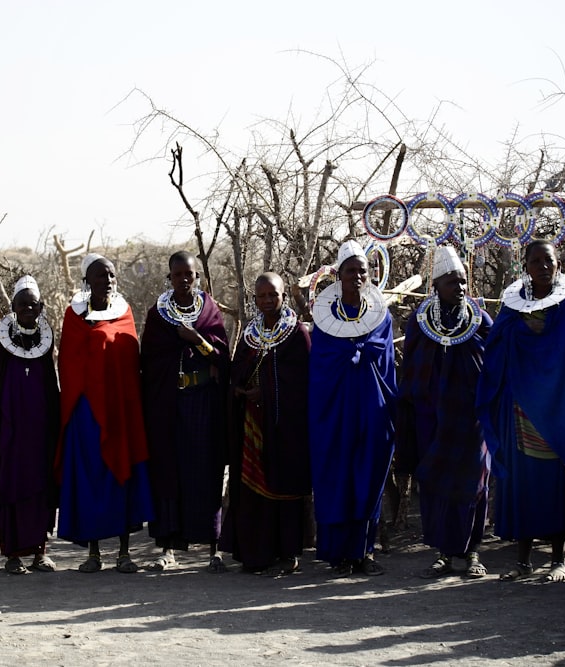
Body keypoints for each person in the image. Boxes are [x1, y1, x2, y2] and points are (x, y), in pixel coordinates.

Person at [477, 239, 565, 583]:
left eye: (549, 260)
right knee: (523, 486)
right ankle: (522, 560)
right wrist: (519, 329)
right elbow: (495, 345)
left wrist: (532, 334)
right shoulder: (512, 308)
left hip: (557, 411)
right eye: (535, 261)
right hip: (519, 411)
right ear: (525, 266)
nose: (543, 266)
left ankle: (558, 560)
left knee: (556, 485)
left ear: (558, 265)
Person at [396, 246, 493, 579]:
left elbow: (492, 358)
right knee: (436, 484)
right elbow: (412, 368)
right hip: (432, 419)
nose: (460, 288)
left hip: (472, 421)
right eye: (452, 282)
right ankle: (443, 552)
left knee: (475, 485)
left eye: (463, 281)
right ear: (436, 284)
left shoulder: (479, 317)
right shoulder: (421, 321)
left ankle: (473, 552)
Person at [57, 253, 154, 573]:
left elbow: (131, 363)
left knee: (120, 476)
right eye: (100, 276)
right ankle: (94, 553)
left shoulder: (124, 313)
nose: (107, 280)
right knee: (89, 479)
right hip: (85, 412)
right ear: (87, 281)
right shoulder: (74, 317)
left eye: (111, 275)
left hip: (120, 410)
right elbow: (68, 365)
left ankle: (124, 553)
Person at [308, 240, 397, 576]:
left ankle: (365, 553)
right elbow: (321, 365)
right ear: (339, 275)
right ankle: (338, 554)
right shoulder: (324, 320)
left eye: (362, 270)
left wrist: (362, 351)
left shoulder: (381, 317)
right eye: (350, 270)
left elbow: (386, 362)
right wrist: (349, 354)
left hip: (371, 410)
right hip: (334, 413)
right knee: (338, 477)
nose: (357, 275)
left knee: (368, 477)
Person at [141, 251, 229, 572]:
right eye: (177, 275)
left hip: (203, 400)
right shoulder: (158, 314)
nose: (183, 280)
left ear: (197, 276)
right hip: (169, 403)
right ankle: (168, 549)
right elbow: (149, 360)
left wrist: (197, 340)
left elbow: (221, 354)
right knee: (170, 472)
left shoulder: (209, 310)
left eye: (188, 274)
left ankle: (213, 548)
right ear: (169, 277)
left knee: (206, 470)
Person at [220, 272, 312, 574]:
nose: (267, 301)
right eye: (261, 296)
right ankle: (255, 552)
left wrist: (268, 392)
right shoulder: (249, 334)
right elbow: (239, 368)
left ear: (283, 296)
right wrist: (239, 388)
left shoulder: (297, 334)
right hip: (252, 424)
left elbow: (302, 382)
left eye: (273, 294)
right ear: (254, 299)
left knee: (282, 485)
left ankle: (287, 554)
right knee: (250, 489)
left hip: (283, 428)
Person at [0, 275, 60, 574]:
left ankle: (39, 553)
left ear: (41, 307)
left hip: (38, 432)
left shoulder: (46, 342)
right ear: (12, 306)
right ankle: (12, 555)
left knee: (39, 490)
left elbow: (50, 385)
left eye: (33, 305)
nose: (27, 309)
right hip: (9, 434)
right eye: (22, 304)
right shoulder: (0, 342)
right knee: (10, 488)